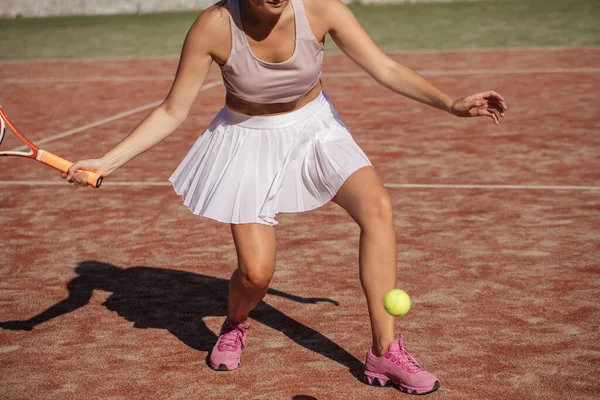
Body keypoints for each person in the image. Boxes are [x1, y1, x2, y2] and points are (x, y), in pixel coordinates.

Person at [64, 0, 507, 395]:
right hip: (245, 139)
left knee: (378, 208)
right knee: (256, 275)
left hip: (316, 129)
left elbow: (385, 68)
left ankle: (385, 351)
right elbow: (172, 110)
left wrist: (449, 103)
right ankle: (236, 324)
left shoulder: (320, 9)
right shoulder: (214, 26)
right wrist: (108, 162)